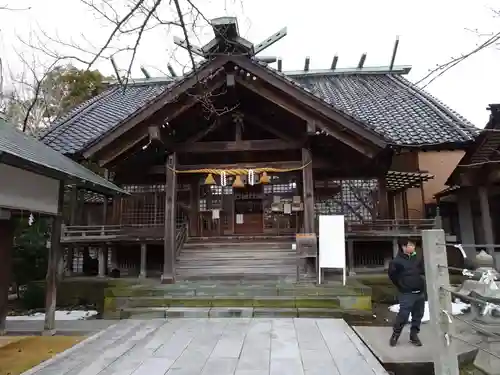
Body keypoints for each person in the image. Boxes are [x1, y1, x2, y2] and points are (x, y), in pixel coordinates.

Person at [387, 238, 425, 347]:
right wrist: (402, 285)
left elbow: (423, 271)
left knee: (418, 315)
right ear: (403, 247)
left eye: (413, 245)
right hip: (407, 293)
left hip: (419, 292)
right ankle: (395, 334)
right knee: (403, 315)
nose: (412, 247)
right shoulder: (396, 262)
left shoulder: (417, 259)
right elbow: (392, 276)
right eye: (410, 245)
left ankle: (414, 335)